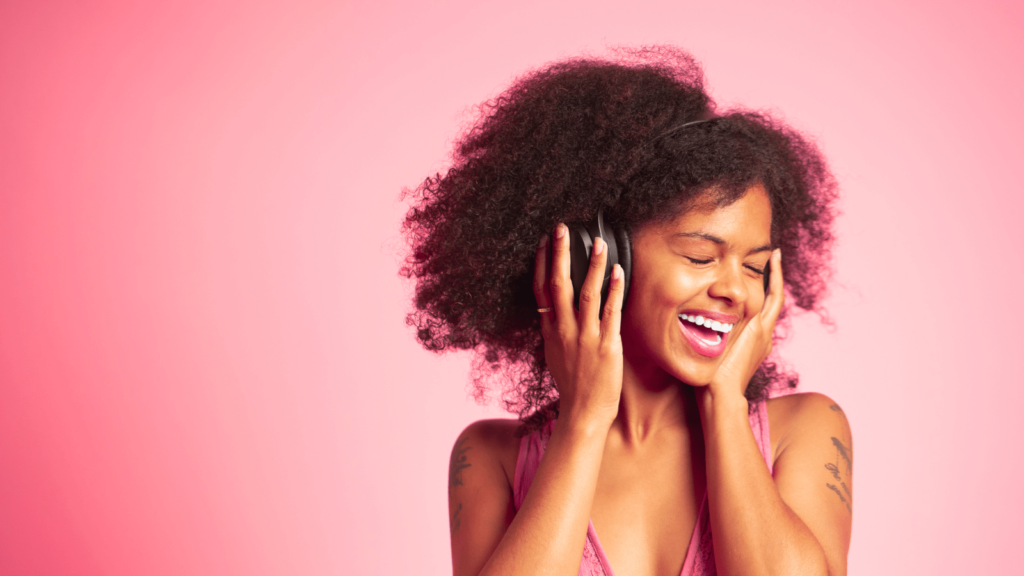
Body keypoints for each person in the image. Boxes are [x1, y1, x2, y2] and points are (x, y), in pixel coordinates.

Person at [402, 47, 850, 576]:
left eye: (754, 268)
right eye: (701, 257)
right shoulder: (489, 458)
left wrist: (725, 407)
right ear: (602, 253)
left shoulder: (805, 429)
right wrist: (584, 422)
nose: (737, 291)